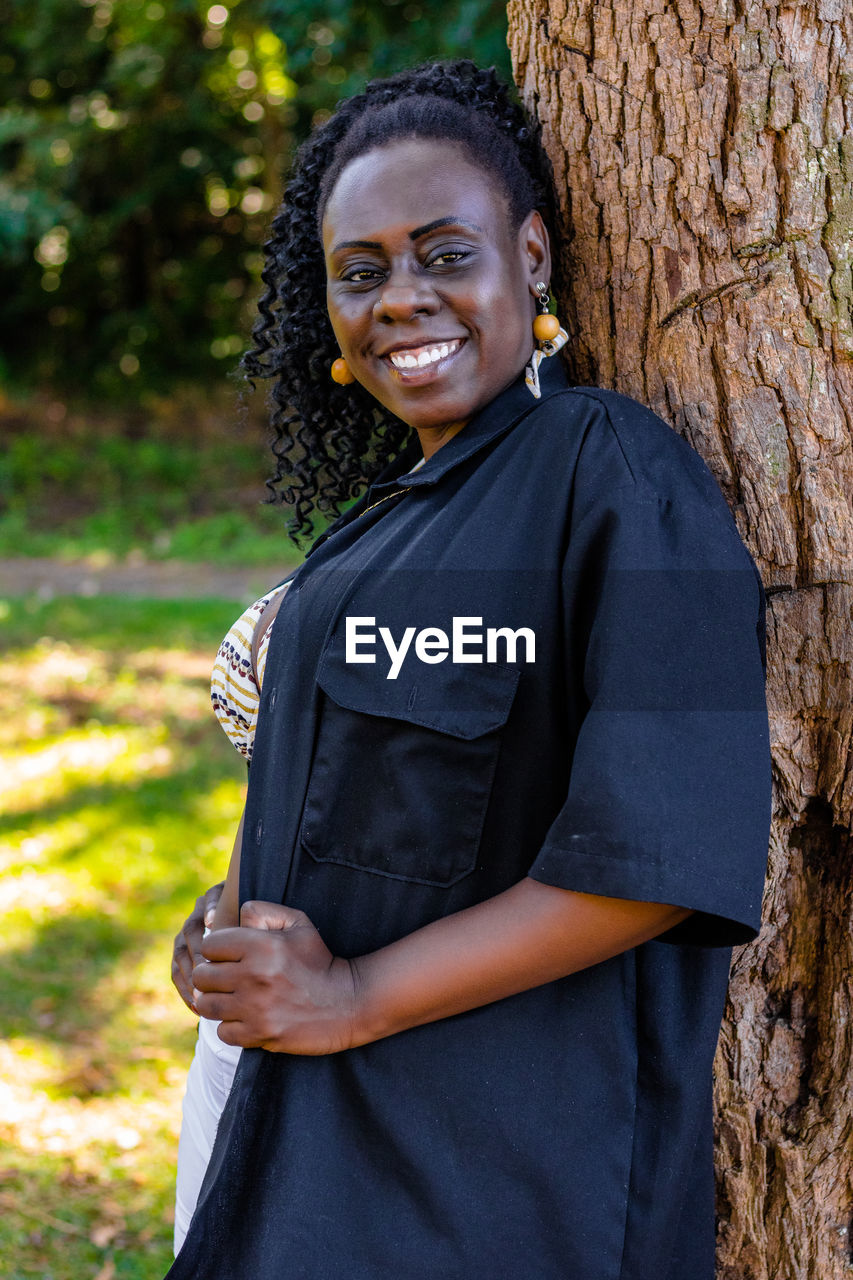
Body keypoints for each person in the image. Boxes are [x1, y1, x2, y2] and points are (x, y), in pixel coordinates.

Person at [167, 59, 771, 1280]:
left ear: (530, 256)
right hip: (290, 1132)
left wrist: (350, 994)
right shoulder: (381, 523)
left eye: (445, 252)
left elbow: (655, 858)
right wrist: (220, 924)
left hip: (491, 1176)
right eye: (361, 270)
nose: (401, 297)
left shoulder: (610, 476)